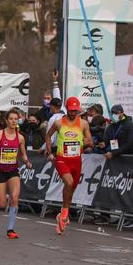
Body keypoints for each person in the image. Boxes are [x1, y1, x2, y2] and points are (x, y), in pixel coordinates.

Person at [45, 97, 93, 235]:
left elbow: (90, 141)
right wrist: (49, 152)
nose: (73, 113)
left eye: (75, 111)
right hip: (62, 159)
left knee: (71, 190)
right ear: (66, 108)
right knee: (69, 182)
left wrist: (85, 142)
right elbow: (48, 136)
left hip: (76, 160)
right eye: (71, 110)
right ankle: (65, 213)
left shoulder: (83, 124)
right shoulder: (59, 123)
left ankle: (61, 216)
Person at [0, 108, 32, 239]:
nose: (13, 121)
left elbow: (23, 155)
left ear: (18, 121)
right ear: (6, 120)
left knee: (15, 198)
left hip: (12, 171)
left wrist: (27, 162)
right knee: (1, 204)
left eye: (15, 119)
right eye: (11, 119)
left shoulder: (20, 138)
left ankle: (10, 229)